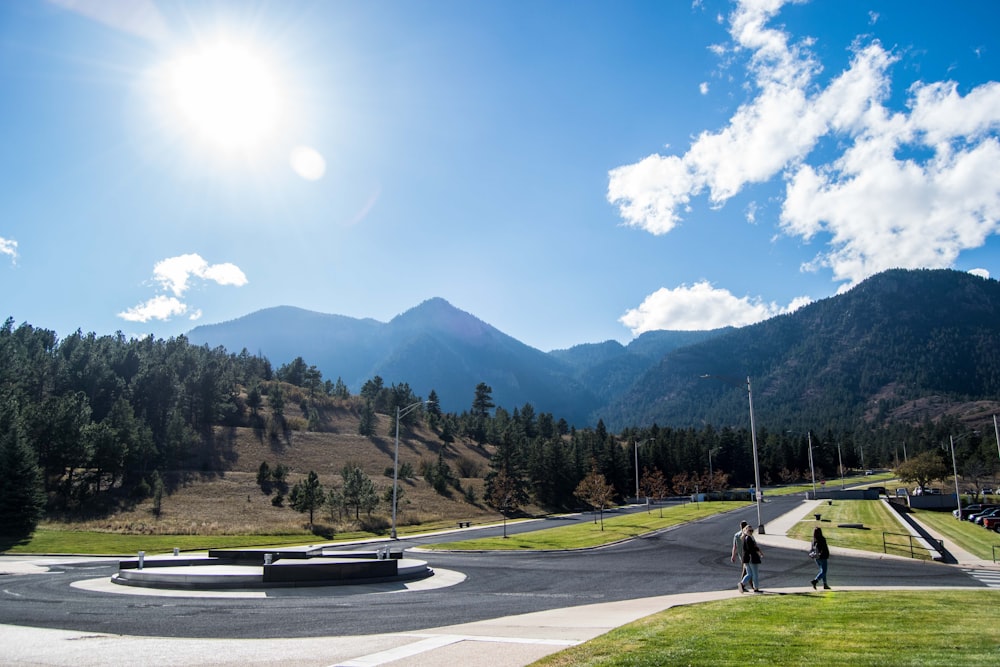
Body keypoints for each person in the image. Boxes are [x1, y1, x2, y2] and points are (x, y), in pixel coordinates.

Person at [739, 525, 763, 593]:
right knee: (755, 574)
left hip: (746, 559)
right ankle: (756, 588)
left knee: (749, 574)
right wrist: (759, 552)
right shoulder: (749, 538)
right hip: (751, 558)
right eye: (749, 530)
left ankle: (742, 583)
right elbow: (752, 548)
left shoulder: (745, 538)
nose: (751, 532)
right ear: (746, 531)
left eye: (752, 530)